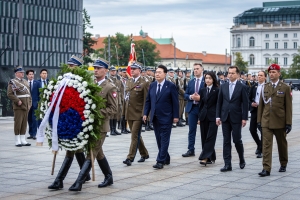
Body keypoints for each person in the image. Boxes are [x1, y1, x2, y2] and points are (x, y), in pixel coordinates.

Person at [69, 58, 118, 191]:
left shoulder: (110, 87)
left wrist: (96, 112)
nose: (95, 70)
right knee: (98, 152)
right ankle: (109, 176)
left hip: (101, 126)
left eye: (98, 68)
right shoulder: (91, 84)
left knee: (91, 152)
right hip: (89, 125)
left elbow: (113, 109)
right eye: (94, 68)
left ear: (106, 70)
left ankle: (79, 182)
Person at [48, 55, 92, 190]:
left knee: (79, 150)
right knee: (72, 149)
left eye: (73, 66)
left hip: (80, 120)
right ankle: (63, 179)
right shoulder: (64, 80)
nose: (70, 68)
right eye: (69, 65)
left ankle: (60, 180)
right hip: (68, 120)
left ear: (79, 67)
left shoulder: (84, 81)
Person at [257, 64, 292, 177]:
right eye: (270, 72)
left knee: (282, 144)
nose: (271, 74)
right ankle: (266, 168)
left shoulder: (285, 87)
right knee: (266, 145)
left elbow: (288, 107)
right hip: (266, 121)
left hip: (280, 121)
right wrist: (259, 120)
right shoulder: (265, 87)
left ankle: (283, 163)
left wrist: (288, 123)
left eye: (274, 72)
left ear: (279, 73)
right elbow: (261, 106)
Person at [143, 65, 179, 169]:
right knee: (159, 139)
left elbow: (175, 102)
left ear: (165, 74)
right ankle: (166, 157)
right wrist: (145, 113)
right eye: (156, 72)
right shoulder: (153, 85)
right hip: (155, 117)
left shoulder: (170, 86)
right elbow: (148, 101)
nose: (157, 74)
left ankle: (160, 160)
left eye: (159, 72)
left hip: (167, 116)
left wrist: (176, 116)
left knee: (164, 139)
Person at [216, 66, 248, 172]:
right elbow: (219, 102)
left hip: (236, 117)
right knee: (226, 141)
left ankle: (241, 158)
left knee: (237, 140)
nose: (230, 75)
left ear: (238, 74)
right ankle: (227, 164)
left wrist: (244, 118)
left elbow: (245, 103)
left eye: (233, 73)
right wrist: (218, 116)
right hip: (225, 117)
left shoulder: (242, 86)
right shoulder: (223, 86)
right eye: (229, 73)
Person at [122, 62, 150, 166]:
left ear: (139, 70)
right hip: (129, 112)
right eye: (131, 69)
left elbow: (146, 100)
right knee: (137, 135)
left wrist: (145, 114)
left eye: (134, 69)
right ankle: (144, 154)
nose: (132, 70)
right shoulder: (129, 81)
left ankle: (130, 158)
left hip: (139, 113)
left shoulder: (144, 82)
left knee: (134, 135)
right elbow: (127, 98)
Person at [182, 63, 205, 157]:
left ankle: (205, 150)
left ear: (202, 70)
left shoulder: (206, 81)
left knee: (204, 130)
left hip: (203, 108)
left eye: (197, 69)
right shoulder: (191, 82)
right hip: (192, 108)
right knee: (191, 130)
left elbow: (210, 95)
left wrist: (200, 98)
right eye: (194, 69)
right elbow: (185, 94)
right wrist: (191, 97)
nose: (195, 70)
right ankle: (191, 149)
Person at [198, 71, 219, 166]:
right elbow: (201, 104)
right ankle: (211, 157)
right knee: (204, 137)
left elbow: (219, 104)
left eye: (210, 78)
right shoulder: (202, 90)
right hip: (203, 116)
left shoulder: (217, 90)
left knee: (210, 137)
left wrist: (219, 117)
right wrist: (199, 117)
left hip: (213, 117)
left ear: (213, 79)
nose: (208, 80)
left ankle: (205, 157)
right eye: (206, 78)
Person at [7, 66, 32, 147]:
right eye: (21, 73)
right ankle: (17, 140)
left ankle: (23, 139)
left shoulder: (25, 81)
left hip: (26, 105)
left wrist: (30, 104)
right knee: (18, 123)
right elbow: (9, 94)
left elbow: (28, 94)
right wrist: (17, 100)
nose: (22, 74)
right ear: (16, 73)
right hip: (19, 106)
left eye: (23, 72)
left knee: (24, 123)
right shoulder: (13, 82)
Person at [249, 71, 267, 159]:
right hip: (255, 110)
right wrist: (251, 103)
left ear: (265, 77)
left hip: (264, 111)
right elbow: (248, 98)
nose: (259, 77)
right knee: (252, 129)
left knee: (263, 130)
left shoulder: (268, 87)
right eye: (258, 75)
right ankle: (259, 144)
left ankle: (261, 150)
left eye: (261, 76)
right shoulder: (254, 86)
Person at [108, 66, 123, 136]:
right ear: (109, 72)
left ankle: (114, 129)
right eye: (112, 71)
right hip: (111, 98)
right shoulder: (107, 80)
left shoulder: (118, 81)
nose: (113, 72)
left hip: (117, 98)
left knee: (116, 114)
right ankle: (111, 130)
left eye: (114, 71)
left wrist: (120, 100)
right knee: (111, 114)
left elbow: (120, 91)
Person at [26, 69, 39, 140]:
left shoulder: (37, 83)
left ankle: (34, 134)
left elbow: (40, 94)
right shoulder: (25, 83)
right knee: (29, 119)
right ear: (27, 75)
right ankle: (30, 133)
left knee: (34, 119)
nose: (31, 76)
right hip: (27, 104)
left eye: (32, 74)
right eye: (30, 74)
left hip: (35, 104)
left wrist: (39, 103)